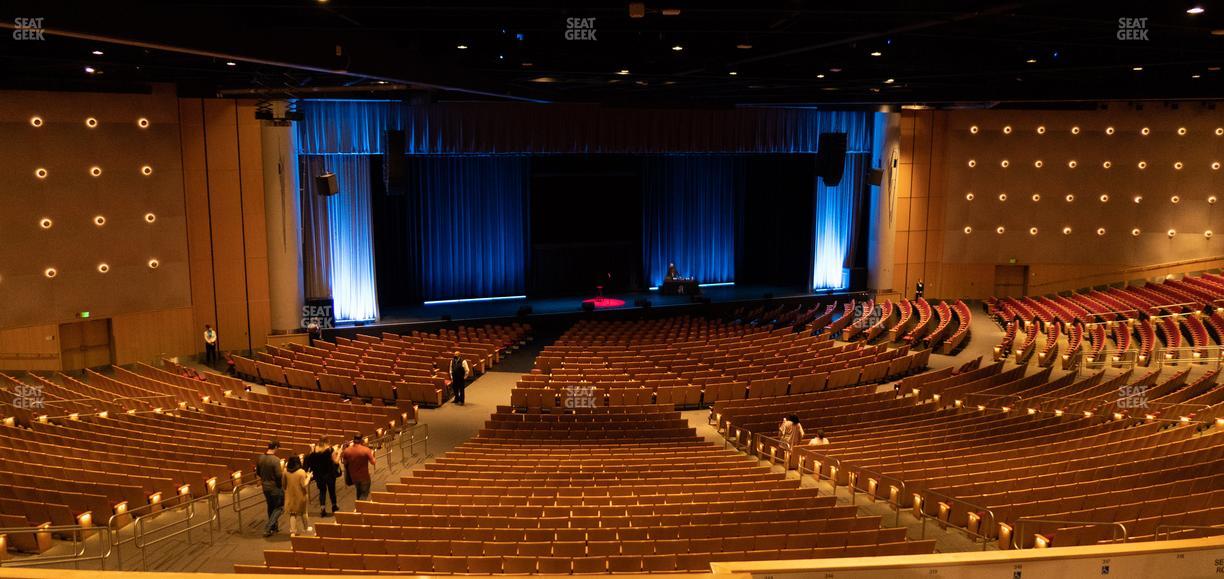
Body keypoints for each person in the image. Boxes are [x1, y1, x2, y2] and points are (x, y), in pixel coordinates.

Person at [304, 437, 341, 517]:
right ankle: (334, 506)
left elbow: (310, 459)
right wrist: (340, 453)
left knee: (322, 491)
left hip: (319, 475)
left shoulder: (315, 450)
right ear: (327, 441)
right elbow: (336, 462)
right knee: (332, 491)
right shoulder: (330, 450)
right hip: (329, 474)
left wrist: (312, 449)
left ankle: (322, 508)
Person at [256, 441, 284, 537]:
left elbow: (258, 472)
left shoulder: (260, 458)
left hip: (265, 486)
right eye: (278, 448)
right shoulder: (275, 460)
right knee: (279, 507)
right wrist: (281, 485)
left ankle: (274, 527)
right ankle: (268, 527)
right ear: (275, 447)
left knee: (271, 507)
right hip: (275, 487)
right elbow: (278, 475)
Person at [340, 434, 376, 502]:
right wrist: (373, 455)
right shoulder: (366, 450)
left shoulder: (347, 450)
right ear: (362, 440)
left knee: (359, 492)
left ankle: (358, 505)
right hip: (364, 477)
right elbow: (373, 462)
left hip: (354, 477)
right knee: (364, 494)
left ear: (353, 440)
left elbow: (344, 463)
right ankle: (360, 506)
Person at [282, 456, 312, 536]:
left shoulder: (285, 471)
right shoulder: (301, 472)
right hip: (301, 495)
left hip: (290, 495)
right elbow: (304, 484)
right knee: (303, 512)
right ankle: (306, 528)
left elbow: (284, 485)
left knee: (292, 513)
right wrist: (309, 477)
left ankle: (293, 531)